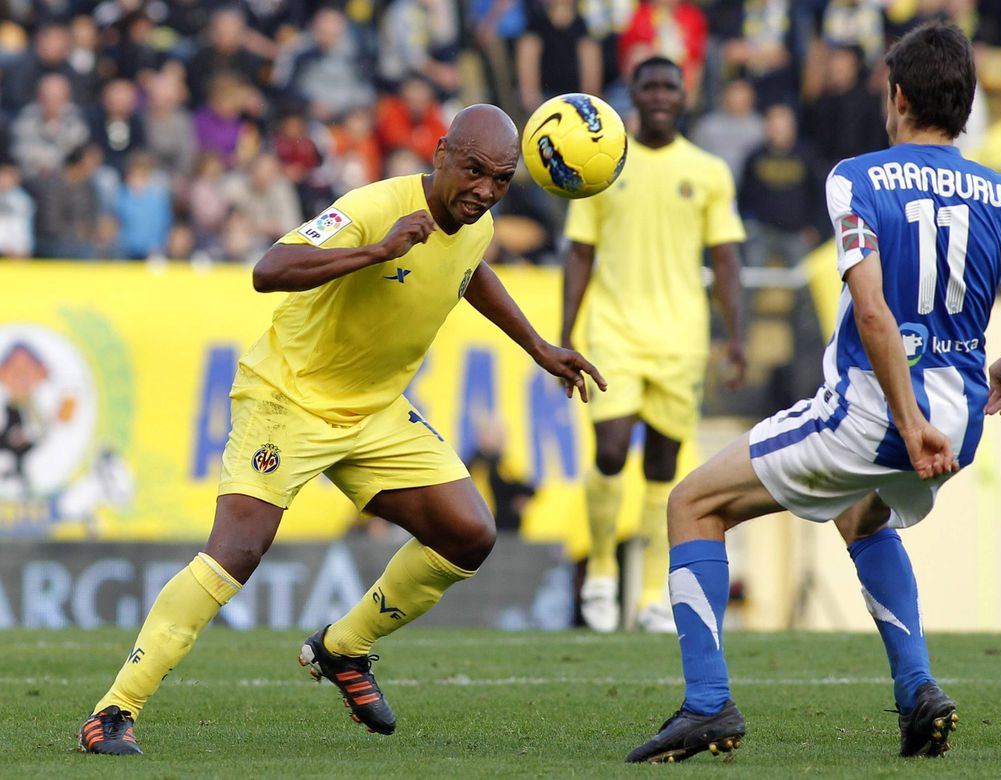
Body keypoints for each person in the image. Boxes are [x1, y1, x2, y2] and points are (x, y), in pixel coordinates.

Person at [79, 104, 606, 756]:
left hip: (374, 410)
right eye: (474, 170)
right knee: (236, 552)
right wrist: (377, 252)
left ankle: (343, 649)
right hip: (288, 398)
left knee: (469, 534)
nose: (485, 190)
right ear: (440, 153)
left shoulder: (477, 223)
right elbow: (268, 270)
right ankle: (114, 711)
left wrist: (539, 347)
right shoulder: (371, 207)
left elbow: (469, 271)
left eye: (500, 180)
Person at [626, 23, 1001, 763]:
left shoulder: (857, 177)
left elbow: (872, 312)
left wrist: (904, 422)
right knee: (860, 518)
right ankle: (917, 692)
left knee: (691, 504)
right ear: (966, 105)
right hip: (961, 420)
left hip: (879, 414)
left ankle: (708, 705)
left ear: (897, 96)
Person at [561, 56, 746, 634]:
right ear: (633, 95)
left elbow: (726, 257)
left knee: (662, 467)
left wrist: (735, 336)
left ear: (684, 96)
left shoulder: (709, 170)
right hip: (613, 332)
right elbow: (579, 252)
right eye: (651, 86)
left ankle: (647, 593)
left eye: (670, 86)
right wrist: (564, 334)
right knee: (612, 451)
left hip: (681, 340)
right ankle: (598, 570)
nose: (661, 94)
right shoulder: (602, 166)